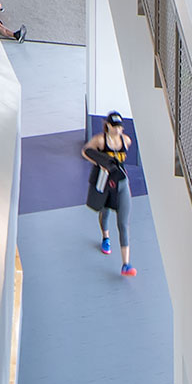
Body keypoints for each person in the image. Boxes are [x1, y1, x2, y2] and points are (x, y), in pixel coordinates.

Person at [81, 112, 136, 276]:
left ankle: (126, 264)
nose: (118, 130)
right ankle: (105, 236)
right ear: (108, 126)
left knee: (123, 223)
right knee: (104, 214)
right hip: (105, 183)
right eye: (115, 126)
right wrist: (99, 162)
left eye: (120, 127)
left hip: (121, 183)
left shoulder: (126, 141)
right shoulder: (100, 140)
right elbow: (86, 151)